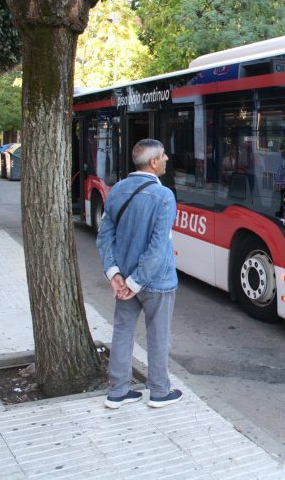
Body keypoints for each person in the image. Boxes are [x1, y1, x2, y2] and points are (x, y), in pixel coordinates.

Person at [96, 138, 183, 409]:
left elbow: (104, 236)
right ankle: (159, 392)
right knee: (158, 336)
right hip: (157, 281)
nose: (167, 158)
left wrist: (115, 275)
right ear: (154, 161)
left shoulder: (117, 190)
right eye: (164, 155)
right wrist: (136, 281)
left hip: (124, 279)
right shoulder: (164, 196)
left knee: (122, 332)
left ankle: (118, 391)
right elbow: (159, 247)